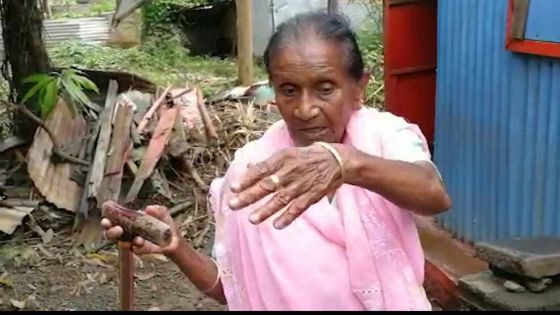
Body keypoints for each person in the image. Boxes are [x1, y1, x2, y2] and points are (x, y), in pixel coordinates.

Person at [102, 11, 452, 311]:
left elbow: (433, 194)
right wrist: (176, 248)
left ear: (359, 87)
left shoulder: (384, 138)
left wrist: (347, 163)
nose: (304, 109)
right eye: (288, 90)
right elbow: (234, 289)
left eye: (325, 88)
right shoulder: (252, 170)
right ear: (273, 92)